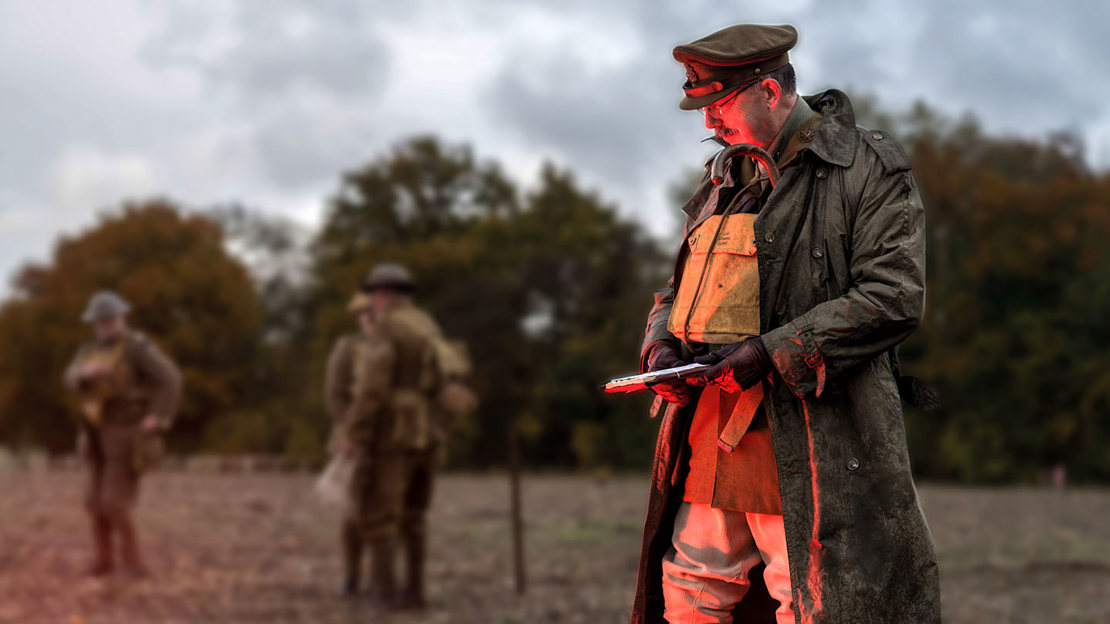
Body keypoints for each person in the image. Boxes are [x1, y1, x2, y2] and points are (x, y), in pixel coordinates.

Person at [630, 24, 941, 624]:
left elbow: (893, 295)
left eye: (720, 104)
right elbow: (677, 287)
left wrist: (770, 354)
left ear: (769, 92)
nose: (708, 121)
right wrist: (661, 346)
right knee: (690, 585)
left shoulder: (866, 167)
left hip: (815, 433)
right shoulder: (724, 175)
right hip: (710, 430)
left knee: (810, 596)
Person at [324, 263, 455, 609]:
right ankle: (415, 592)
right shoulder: (428, 324)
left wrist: (354, 433)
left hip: (391, 434)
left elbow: (372, 389)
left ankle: (385, 594)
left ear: (381, 294)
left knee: (379, 515)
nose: (371, 303)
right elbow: (444, 383)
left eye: (372, 296)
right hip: (426, 432)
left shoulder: (386, 327)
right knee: (415, 517)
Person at [63, 290, 182, 577]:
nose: (106, 324)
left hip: (126, 431)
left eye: (111, 319)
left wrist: (157, 415)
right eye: (100, 320)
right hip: (94, 431)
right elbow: (68, 377)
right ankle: (103, 561)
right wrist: (83, 374)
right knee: (94, 502)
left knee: (114, 502)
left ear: (122, 317)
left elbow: (171, 378)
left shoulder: (136, 347)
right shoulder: (88, 348)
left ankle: (134, 564)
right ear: (93, 322)